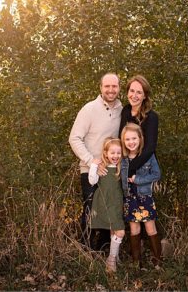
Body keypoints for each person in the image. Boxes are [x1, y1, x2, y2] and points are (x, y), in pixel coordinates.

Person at [69, 73, 122, 250]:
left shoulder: (122, 110)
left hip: (111, 171)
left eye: (114, 86)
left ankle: (105, 250)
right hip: (90, 170)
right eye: (107, 86)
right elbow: (74, 138)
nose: (111, 90)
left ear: (119, 88)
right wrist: (92, 161)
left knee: (110, 211)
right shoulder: (89, 109)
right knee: (91, 211)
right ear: (100, 87)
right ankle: (84, 251)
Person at [118, 75, 162, 267]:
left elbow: (150, 147)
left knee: (148, 222)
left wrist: (131, 170)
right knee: (133, 222)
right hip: (128, 168)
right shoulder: (125, 111)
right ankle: (137, 261)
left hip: (143, 169)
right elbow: (122, 140)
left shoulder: (152, 117)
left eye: (139, 92)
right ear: (127, 92)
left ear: (145, 96)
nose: (134, 95)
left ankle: (157, 261)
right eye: (132, 91)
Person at [87, 138, 127, 272]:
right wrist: (93, 165)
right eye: (112, 153)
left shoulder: (122, 166)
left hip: (116, 203)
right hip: (105, 203)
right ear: (106, 153)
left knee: (114, 230)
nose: (115, 156)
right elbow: (92, 181)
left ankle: (113, 257)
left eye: (118, 153)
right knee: (120, 231)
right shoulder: (101, 167)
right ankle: (111, 260)